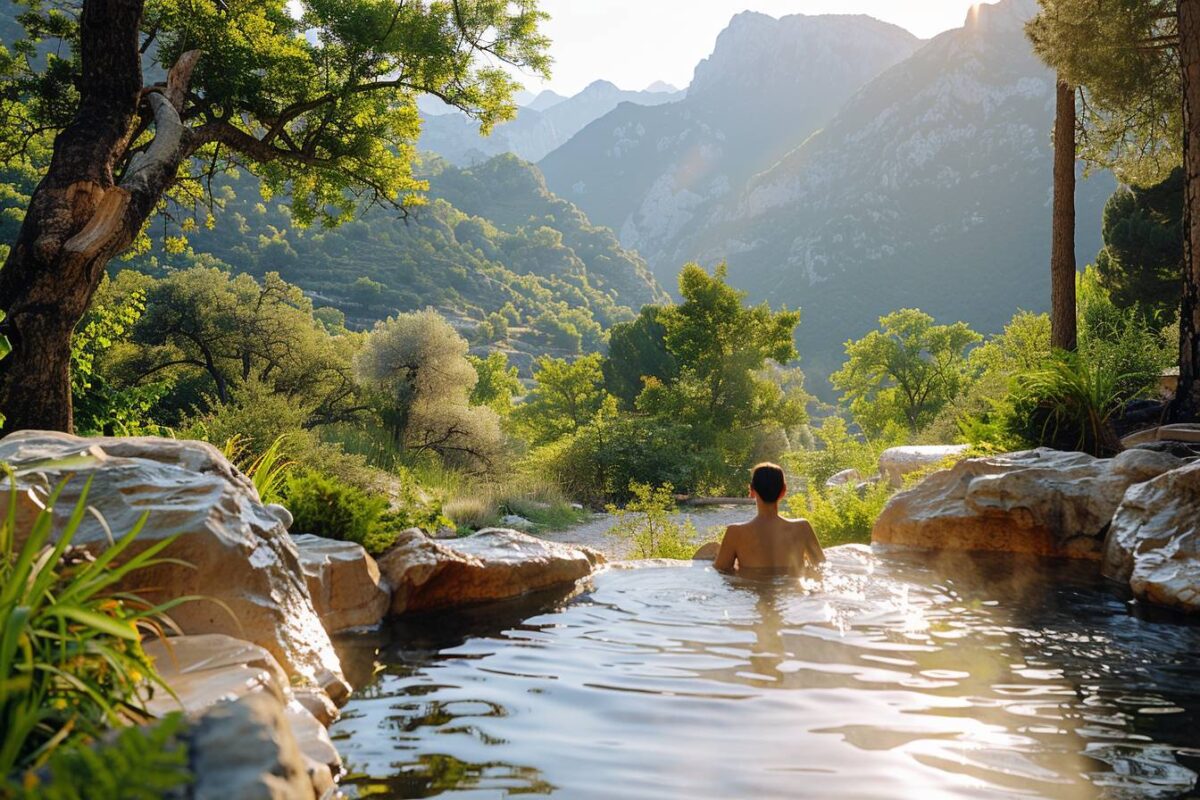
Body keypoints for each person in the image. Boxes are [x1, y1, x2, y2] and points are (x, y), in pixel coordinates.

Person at [714, 463, 825, 576]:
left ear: (751, 490)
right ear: (784, 491)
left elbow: (722, 573)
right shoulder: (802, 528)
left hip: (751, 591)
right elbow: (822, 567)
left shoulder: (735, 533)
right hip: (791, 592)